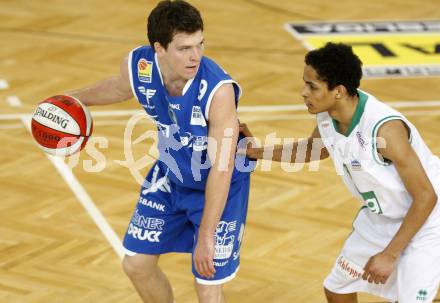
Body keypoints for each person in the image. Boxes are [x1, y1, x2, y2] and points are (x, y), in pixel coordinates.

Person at [65, 1, 252, 302]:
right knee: (137, 265)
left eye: (200, 44)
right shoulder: (140, 66)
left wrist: (205, 235)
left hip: (219, 188)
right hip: (171, 176)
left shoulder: (218, 91)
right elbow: (118, 88)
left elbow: (222, 168)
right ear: (159, 49)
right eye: (184, 48)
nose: (196, 56)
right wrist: (70, 99)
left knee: (206, 282)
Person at [240, 42, 440, 303]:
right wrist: (258, 152)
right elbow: (314, 149)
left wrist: (390, 254)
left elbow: (426, 197)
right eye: (305, 83)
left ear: (339, 91)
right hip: (383, 217)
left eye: (312, 86)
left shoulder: (385, 131)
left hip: (427, 217)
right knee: (338, 289)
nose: (303, 92)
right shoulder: (328, 116)